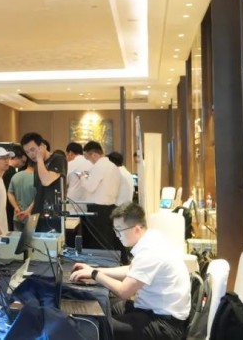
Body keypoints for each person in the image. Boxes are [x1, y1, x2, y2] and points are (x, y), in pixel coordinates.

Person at [70, 203, 190, 340]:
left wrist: (95, 275)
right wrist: (94, 270)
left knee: (95, 326)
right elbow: (132, 270)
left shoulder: (150, 252)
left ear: (136, 229)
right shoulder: (152, 238)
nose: (117, 235)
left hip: (164, 324)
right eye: (115, 230)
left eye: (119, 230)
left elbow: (124, 292)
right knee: (102, 303)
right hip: (149, 309)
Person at [79, 141, 121, 252]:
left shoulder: (99, 166)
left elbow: (90, 187)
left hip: (98, 208)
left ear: (94, 154)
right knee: (106, 239)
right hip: (111, 206)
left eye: (88, 157)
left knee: (96, 241)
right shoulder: (113, 166)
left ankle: (99, 261)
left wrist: (82, 177)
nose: (89, 161)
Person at [21, 133, 66, 233]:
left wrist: (40, 159)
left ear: (42, 146)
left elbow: (46, 181)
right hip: (37, 215)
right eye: (27, 152)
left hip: (53, 216)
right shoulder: (38, 165)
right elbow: (39, 192)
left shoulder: (58, 159)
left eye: (33, 150)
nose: (30, 154)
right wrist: (29, 210)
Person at [7, 163, 36, 254]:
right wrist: (28, 211)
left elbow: (10, 193)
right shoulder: (37, 178)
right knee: (32, 247)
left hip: (18, 216)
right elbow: (38, 196)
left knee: (17, 244)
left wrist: (16, 207)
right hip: (32, 217)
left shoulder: (16, 176)